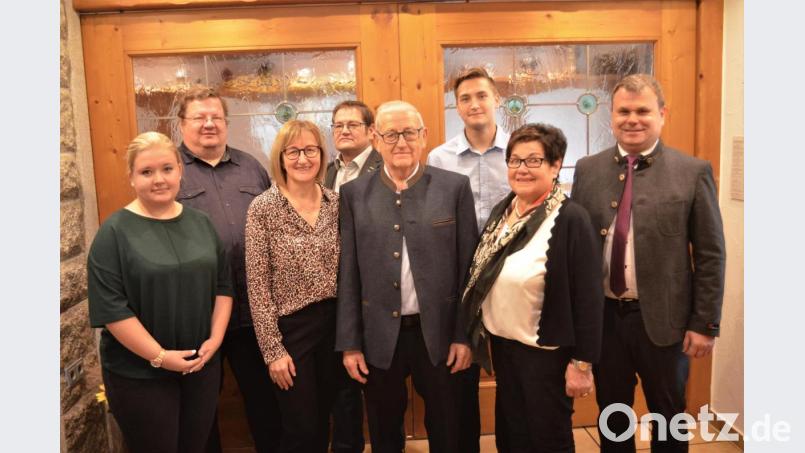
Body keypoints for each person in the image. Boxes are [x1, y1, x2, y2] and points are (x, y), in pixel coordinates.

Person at [571, 74, 726, 453]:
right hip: (605, 319)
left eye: (643, 110)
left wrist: (705, 323)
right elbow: (575, 249)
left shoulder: (692, 172)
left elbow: (710, 253)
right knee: (613, 412)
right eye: (624, 111)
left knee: (668, 414)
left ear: (662, 114)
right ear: (612, 116)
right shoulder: (587, 169)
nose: (633, 119)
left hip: (665, 322)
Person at [336, 100, 479, 453]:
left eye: (409, 133)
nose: (401, 142)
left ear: (424, 136)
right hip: (380, 337)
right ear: (375, 138)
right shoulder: (354, 195)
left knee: (448, 428)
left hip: (441, 335)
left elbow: (468, 271)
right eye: (390, 134)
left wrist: (464, 336)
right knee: (384, 431)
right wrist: (351, 343)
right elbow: (349, 273)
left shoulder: (454, 188)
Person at [461, 123, 603, 453]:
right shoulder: (504, 211)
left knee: (547, 438)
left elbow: (589, 299)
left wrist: (582, 365)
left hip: (546, 355)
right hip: (505, 346)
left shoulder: (570, 219)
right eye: (515, 160)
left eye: (533, 161)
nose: (522, 169)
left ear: (556, 165)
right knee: (512, 435)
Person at [87, 132, 233, 453]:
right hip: (139, 374)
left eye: (167, 169)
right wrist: (160, 357)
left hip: (200, 367)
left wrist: (216, 341)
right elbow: (112, 310)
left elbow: (223, 287)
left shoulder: (201, 224)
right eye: (146, 172)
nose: (159, 179)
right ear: (131, 177)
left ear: (180, 170)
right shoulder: (113, 233)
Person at [174, 86, 280, 453]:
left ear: (226, 123)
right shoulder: (170, 170)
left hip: (254, 312)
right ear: (181, 125)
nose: (208, 124)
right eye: (199, 118)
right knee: (200, 409)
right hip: (197, 314)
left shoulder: (251, 166)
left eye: (216, 117)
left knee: (266, 402)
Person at [427, 66, 510, 453]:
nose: (474, 104)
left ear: (497, 100)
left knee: (514, 373)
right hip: (457, 282)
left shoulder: (519, 152)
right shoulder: (438, 159)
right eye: (465, 98)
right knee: (459, 376)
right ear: (456, 107)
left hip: (511, 280)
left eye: (481, 95)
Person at [245, 120, 340, 453]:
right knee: (300, 426)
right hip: (292, 330)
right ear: (281, 157)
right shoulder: (263, 208)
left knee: (327, 418)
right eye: (294, 151)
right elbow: (257, 285)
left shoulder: (335, 203)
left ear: (321, 155)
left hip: (335, 325)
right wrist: (273, 351)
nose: (303, 158)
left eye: (311, 150)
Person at [323, 100, 389, 453]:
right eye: (337, 125)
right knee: (341, 381)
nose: (344, 130)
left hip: (374, 290)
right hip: (334, 291)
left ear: (370, 131)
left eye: (352, 124)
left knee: (378, 385)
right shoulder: (325, 172)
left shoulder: (385, 169)